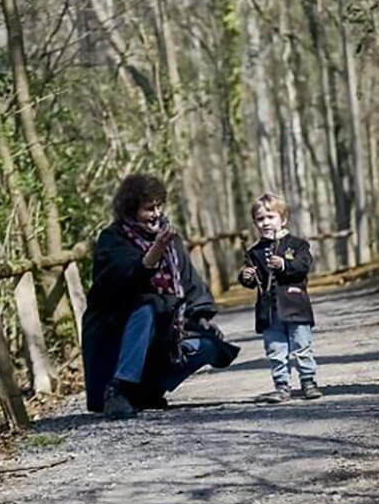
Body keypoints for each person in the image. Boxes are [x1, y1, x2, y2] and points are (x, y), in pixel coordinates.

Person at [83, 174, 238, 418]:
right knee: (148, 306)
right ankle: (120, 389)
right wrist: (154, 252)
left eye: (159, 206)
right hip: (120, 332)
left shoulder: (170, 239)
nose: (156, 214)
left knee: (208, 346)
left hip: (164, 335)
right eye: (148, 209)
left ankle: (149, 391)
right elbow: (119, 280)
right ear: (131, 209)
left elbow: (190, 283)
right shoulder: (112, 239)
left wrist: (202, 314)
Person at [239, 194, 322, 403]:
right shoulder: (254, 252)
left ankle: (308, 381)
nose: (265, 222)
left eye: (270, 217)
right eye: (260, 219)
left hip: (295, 305)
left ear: (283, 219)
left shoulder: (298, 245)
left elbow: (303, 267)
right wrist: (245, 276)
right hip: (269, 310)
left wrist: (284, 264)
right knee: (275, 349)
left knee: (302, 345)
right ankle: (282, 386)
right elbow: (253, 281)